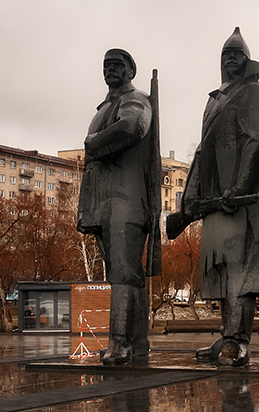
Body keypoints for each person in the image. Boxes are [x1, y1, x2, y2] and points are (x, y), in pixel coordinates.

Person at [181, 28, 259, 367]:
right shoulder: (215, 100)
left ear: (247, 59)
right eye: (226, 53)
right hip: (216, 198)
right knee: (222, 271)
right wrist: (190, 199)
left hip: (243, 197)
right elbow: (203, 150)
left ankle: (238, 341)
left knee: (241, 272)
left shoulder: (253, 91)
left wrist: (240, 187)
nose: (230, 58)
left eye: (237, 53)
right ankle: (227, 335)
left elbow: (257, 140)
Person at [77, 48, 159, 365]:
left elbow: (132, 128)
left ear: (130, 71)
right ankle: (135, 342)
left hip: (126, 199)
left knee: (123, 274)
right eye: (106, 65)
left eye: (117, 65)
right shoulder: (105, 107)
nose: (110, 70)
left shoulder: (135, 99)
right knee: (124, 273)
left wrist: (92, 143)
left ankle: (120, 342)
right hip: (105, 201)